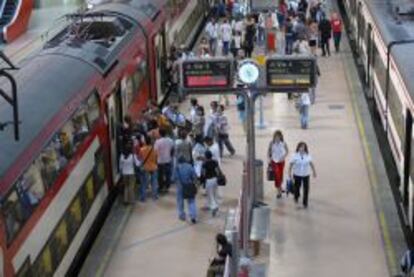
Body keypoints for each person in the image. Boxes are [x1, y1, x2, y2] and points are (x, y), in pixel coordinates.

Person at [288, 142, 317, 208]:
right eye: (300, 147)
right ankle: (296, 196)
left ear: (305, 148)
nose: (302, 148)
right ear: (298, 148)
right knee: (297, 187)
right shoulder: (294, 155)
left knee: (306, 188)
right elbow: (291, 165)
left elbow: (311, 164)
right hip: (297, 174)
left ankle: (305, 202)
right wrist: (289, 173)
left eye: (303, 147)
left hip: (306, 174)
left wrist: (314, 172)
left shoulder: (308, 155)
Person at [175, 156, 198, 223]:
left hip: (180, 186)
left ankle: (182, 215)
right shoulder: (190, 166)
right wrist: (196, 184)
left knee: (180, 201)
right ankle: (193, 216)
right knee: (191, 201)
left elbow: (174, 178)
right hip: (189, 185)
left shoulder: (177, 167)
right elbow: (194, 176)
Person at [268, 130, 289, 198]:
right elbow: (269, 151)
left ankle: (280, 186)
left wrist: (284, 156)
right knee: (277, 175)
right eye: (276, 137)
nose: (277, 138)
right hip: (274, 161)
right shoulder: (271, 143)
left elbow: (287, 151)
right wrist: (269, 159)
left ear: (280, 137)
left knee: (280, 175)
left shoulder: (283, 143)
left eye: (278, 137)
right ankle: (278, 191)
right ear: (274, 137)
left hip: (281, 162)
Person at [154, 128, 174, 194]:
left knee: (160, 175)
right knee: (168, 174)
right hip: (168, 160)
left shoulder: (157, 141)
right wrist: (170, 156)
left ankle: (161, 187)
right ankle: (167, 187)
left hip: (160, 161)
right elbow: (172, 150)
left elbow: (155, 152)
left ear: (160, 133)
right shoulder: (170, 141)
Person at [201, 151, 221, 216]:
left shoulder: (204, 163)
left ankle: (214, 207)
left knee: (210, 194)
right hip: (215, 179)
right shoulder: (215, 162)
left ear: (206, 156)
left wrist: (202, 182)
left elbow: (203, 174)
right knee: (214, 194)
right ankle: (214, 205)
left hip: (208, 180)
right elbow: (217, 171)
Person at [139, 136, 158, 201]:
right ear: (151, 142)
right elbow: (156, 159)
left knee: (144, 183)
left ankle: (143, 198)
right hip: (153, 167)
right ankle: (154, 196)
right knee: (154, 182)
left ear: (145, 142)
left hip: (145, 167)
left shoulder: (141, 149)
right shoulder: (154, 150)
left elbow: (140, 159)